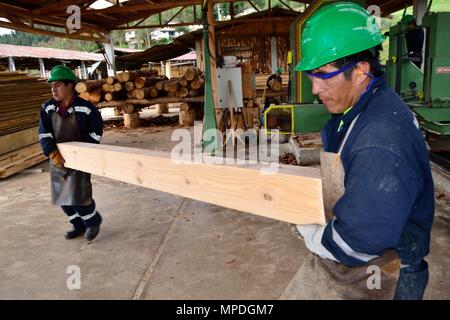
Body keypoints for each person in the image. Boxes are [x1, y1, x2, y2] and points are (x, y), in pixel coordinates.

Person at [281, 2, 434, 300]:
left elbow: (361, 238)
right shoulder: (364, 107)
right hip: (384, 238)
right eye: (311, 77)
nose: (314, 89)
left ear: (361, 70)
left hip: (387, 264)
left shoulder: (380, 140)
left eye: (322, 75)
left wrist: (313, 235)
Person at [39, 65, 104, 241]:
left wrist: (83, 154)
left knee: (79, 196)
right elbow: (44, 133)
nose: (53, 89)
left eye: (58, 85)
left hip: (79, 160)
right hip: (58, 159)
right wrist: (52, 152)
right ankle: (78, 225)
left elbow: (95, 133)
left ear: (70, 86)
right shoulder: (47, 108)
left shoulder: (87, 108)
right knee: (62, 198)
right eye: (51, 85)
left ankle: (93, 221)